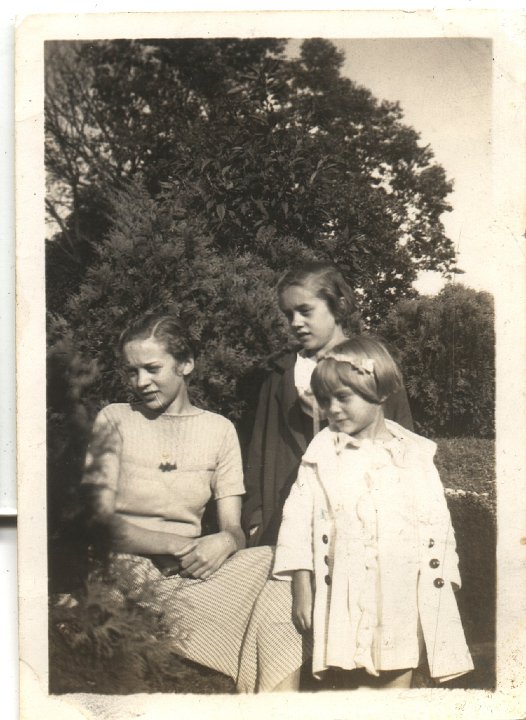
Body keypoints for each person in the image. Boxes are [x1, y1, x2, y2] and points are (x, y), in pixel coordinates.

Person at [81, 312, 305, 692]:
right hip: (125, 570)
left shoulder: (219, 429)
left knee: (278, 564)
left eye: (152, 368)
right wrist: (178, 545)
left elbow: (233, 527)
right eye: (132, 372)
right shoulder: (115, 419)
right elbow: (98, 521)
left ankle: (278, 704)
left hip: (190, 573)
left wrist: (227, 541)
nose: (140, 382)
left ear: (186, 364)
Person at [273, 336, 474, 688]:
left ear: (379, 394)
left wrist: (437, 597)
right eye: (325, 399)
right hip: (346, 586)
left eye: (343, 397)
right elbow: (296, 519)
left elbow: (439, 528)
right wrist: (301, 586)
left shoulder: (413, 454)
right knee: (349, 678)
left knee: (397, 674)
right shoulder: (323, 451)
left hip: (400, 588)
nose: (332, 409)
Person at [242, 261, 414, 546]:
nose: (295, 322)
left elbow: (402, 444)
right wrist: (255, 519)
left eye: (305, 311)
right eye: (289, 314)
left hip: (358, 528)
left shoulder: (371, 365)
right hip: (283, 527)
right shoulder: (280, 374)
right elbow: (257, 452)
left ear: (339, 306)